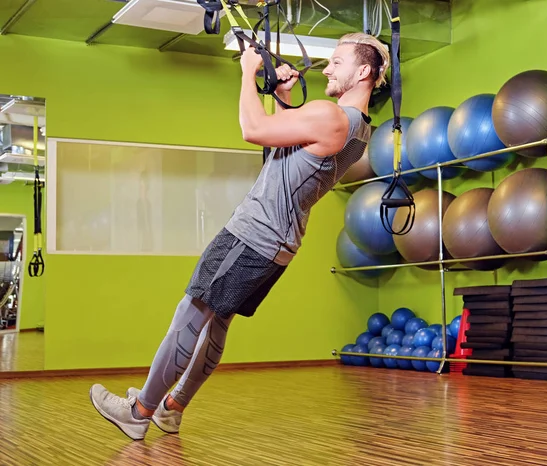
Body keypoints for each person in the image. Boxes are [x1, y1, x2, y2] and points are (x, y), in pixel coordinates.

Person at [89, 32, 390, 441]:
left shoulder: (332, 116)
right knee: (218, 324)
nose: (328, 68)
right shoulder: (358, 131)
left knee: (190, 315)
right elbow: (285, 153)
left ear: (364, 71)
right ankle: (172, 409)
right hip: (279, 246)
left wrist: (248, 74)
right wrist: (283, 96)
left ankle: (139, 411)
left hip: (251, 235)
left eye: (337, 62)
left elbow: (253, 129)